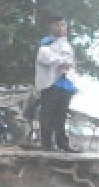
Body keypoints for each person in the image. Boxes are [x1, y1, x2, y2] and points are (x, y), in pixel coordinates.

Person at [34, 15, 79, 152]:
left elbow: (71, 63)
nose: (62, 28)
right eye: (58, 25)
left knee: (61, 116)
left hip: (66, 84)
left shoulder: (66, 44)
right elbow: (45, 57)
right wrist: (61, 61)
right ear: (51, 26)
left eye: (64, 25)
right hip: (51, 83)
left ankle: (62, 143)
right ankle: (47, 144)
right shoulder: (47, 42)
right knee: (48, 114)